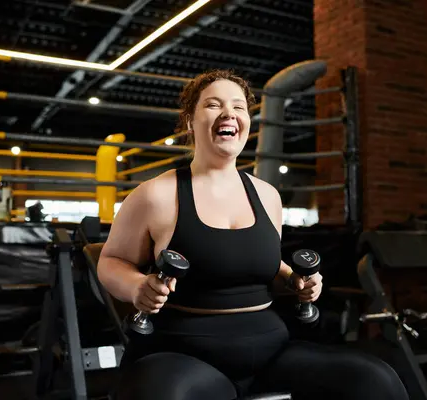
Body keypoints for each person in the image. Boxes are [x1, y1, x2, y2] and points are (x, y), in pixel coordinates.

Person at [97, 70, 409, 400]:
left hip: (271, 349)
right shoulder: (155, 194)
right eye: (213, 105)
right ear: (190, 121)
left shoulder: (267, 196)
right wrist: (135, 287)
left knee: (374, 380)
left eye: (239, 107)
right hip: (185, 354)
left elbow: (266, 265)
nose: (228, 113)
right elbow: (111, 260)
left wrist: (296, 281)